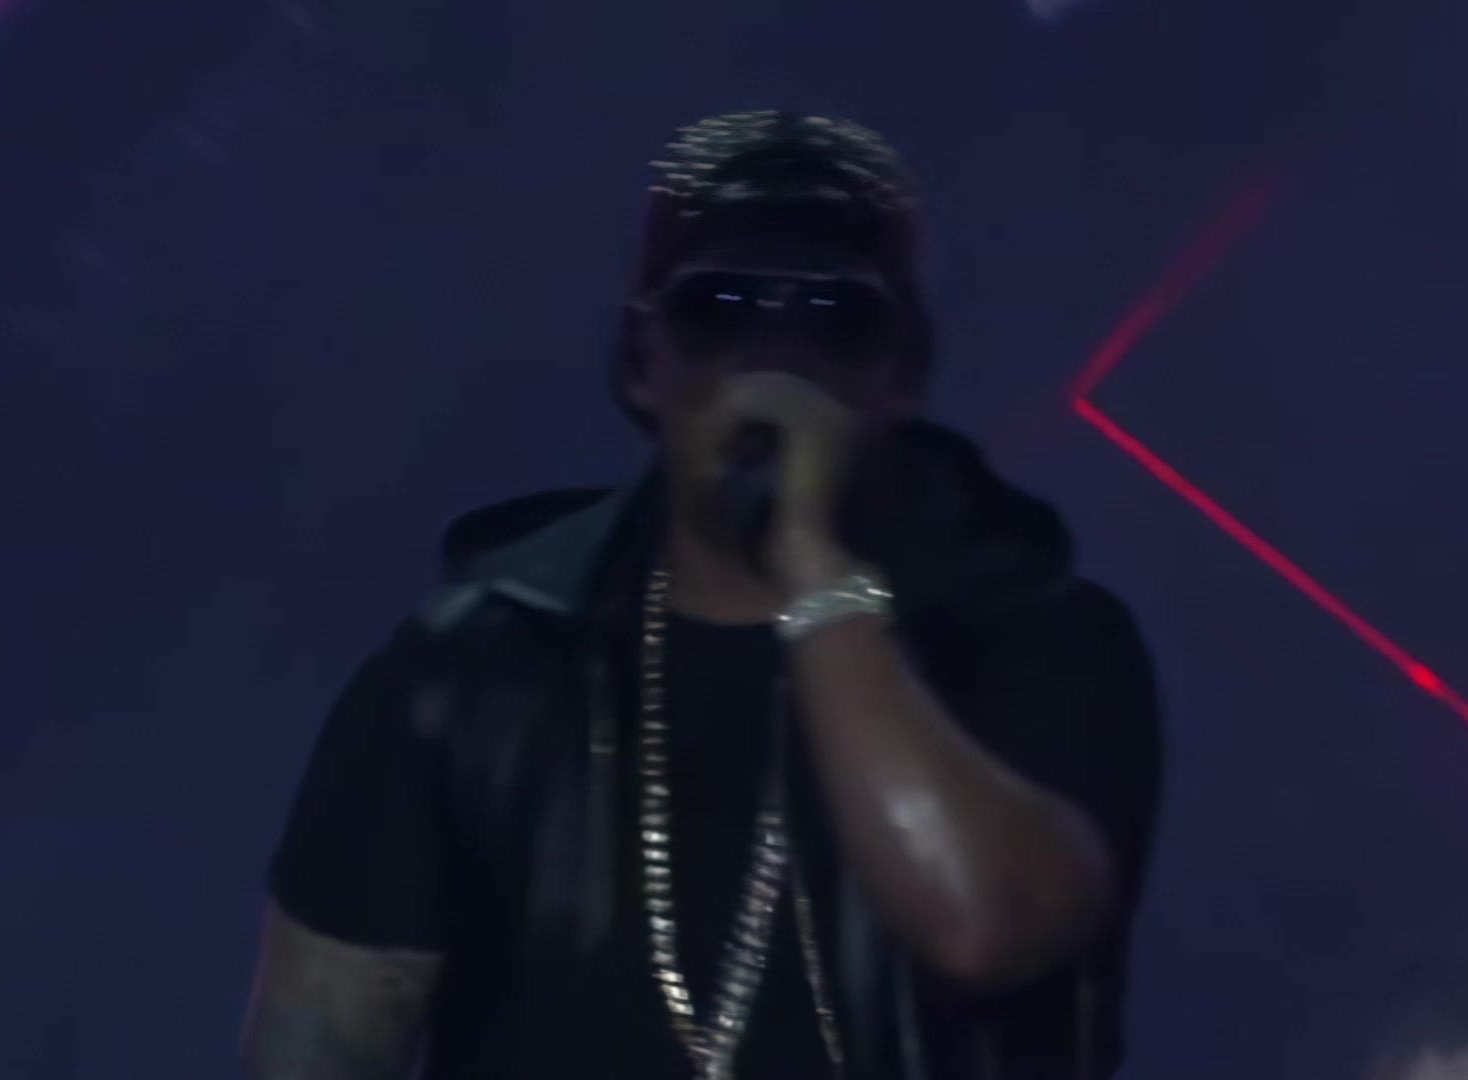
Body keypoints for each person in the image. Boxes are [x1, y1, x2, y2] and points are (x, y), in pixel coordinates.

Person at [241, 109, 1163, 1080]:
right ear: (640, 362)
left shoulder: (1043, 644)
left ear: (904, 369)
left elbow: (984, 924)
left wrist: (813, 565)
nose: (775, 354)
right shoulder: (468, 675)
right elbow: (319, 1048)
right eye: (720, 308)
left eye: (835, 317)